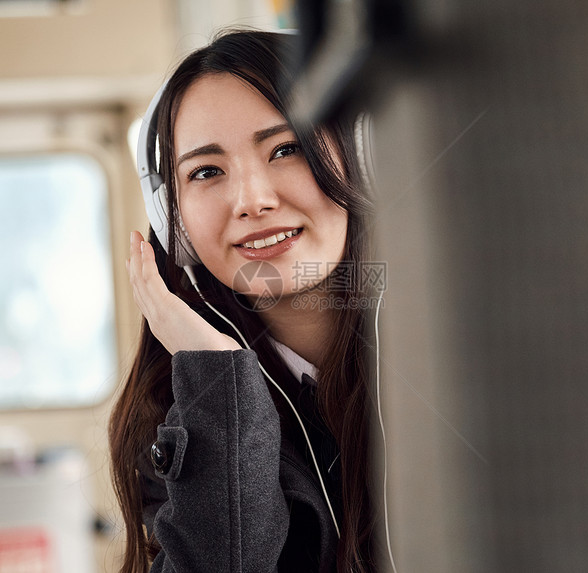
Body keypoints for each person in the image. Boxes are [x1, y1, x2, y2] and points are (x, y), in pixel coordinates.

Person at [109, 29, 378, 572]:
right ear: (172, 222)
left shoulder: (453, 346)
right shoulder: (175, 412)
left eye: (288, 149)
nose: (252, 201)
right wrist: (218, 383)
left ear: (362, 158)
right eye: (206, 172)